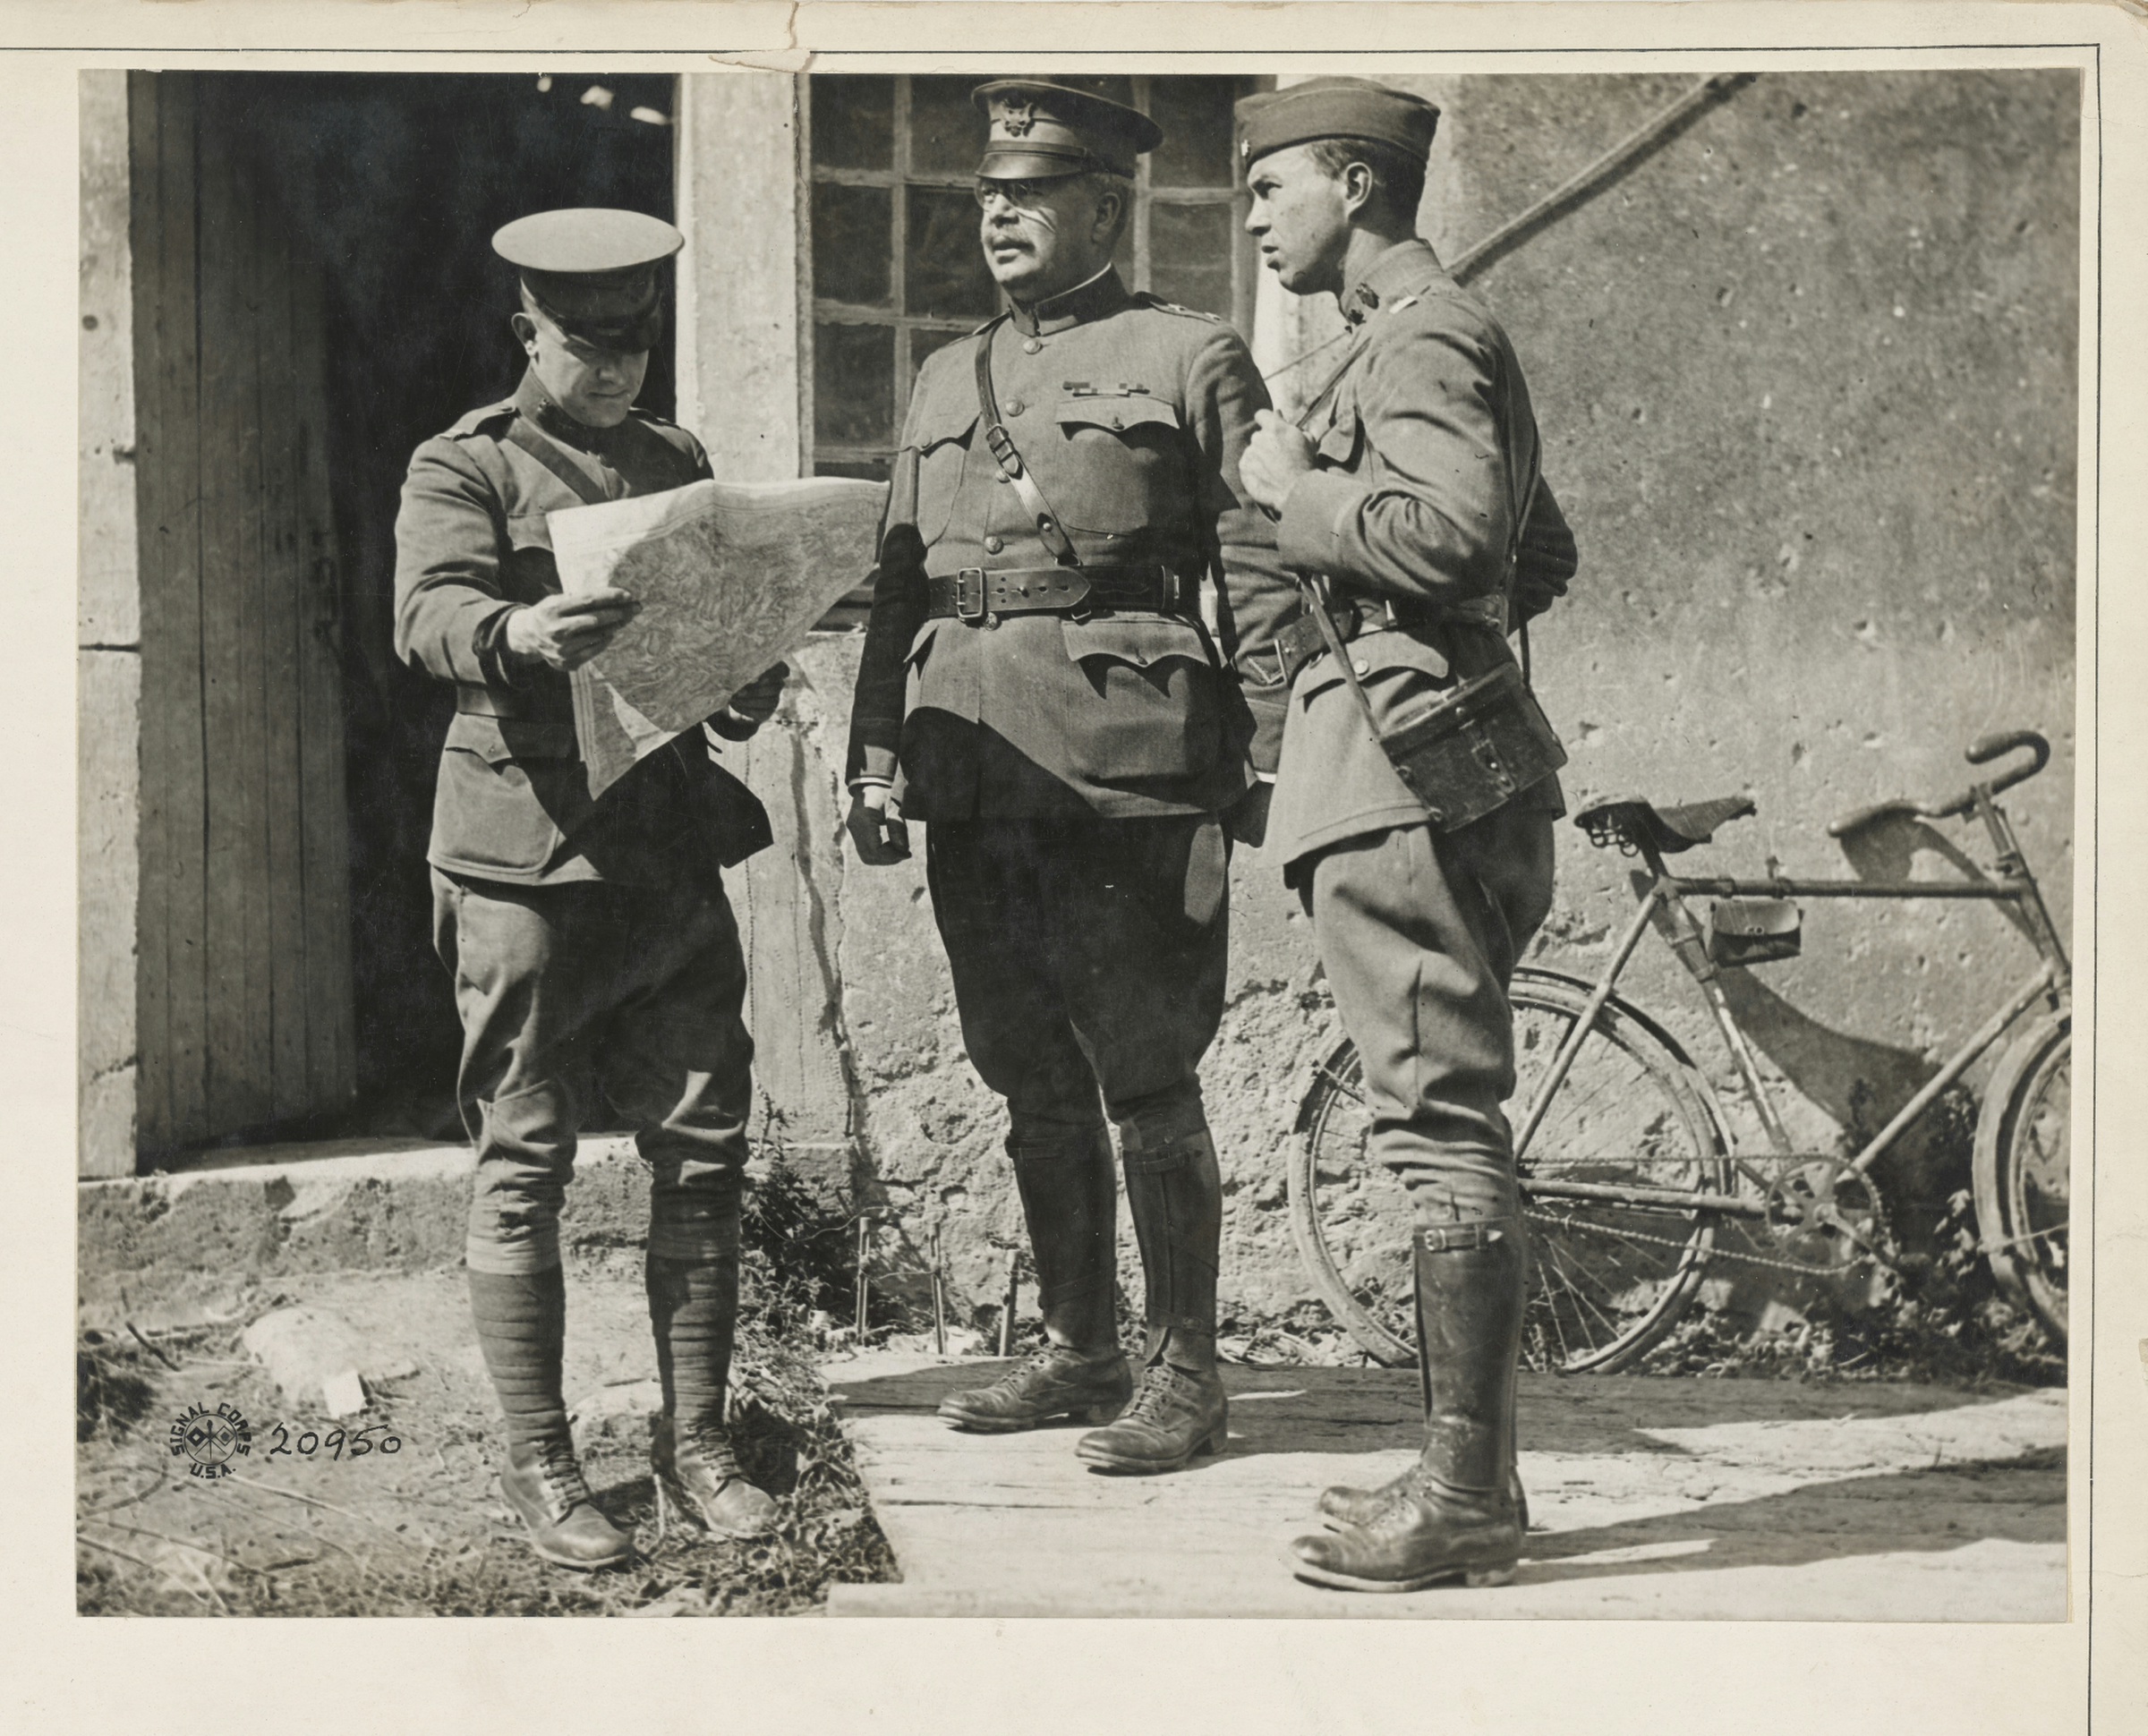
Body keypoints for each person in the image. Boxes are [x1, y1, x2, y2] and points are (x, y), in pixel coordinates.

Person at [843, 79, 1296, 1475]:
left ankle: (1188, 1371)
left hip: (1129, 767)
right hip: (973, 768)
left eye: (1030, 197)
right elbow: (895, 589)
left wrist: (1272, 748)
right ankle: (1081, 1349)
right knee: (1026, 1068)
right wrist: (873, 755)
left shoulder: (1188, 354)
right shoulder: (938, 379)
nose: (999, 216)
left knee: (1146, 1071)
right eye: (989, 196)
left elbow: (1263, 561)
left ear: (1105, 208)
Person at [394, 208, 789, 1569]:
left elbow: (706, 636)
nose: (616, 369)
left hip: (664, 857)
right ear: (529, 334)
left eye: (636, 342)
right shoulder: (469, 463)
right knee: (526, 1159)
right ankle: (543, 1465)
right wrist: (514, 630)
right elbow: (426, 615)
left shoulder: (678, 465)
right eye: (586, 343)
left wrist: (747, 674)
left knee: (704, 1147)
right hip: (525, 855)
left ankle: (697, 1446)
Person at [1234, 80, 1581, 1590]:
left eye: (1270, 188)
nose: (1251, 215)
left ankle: (1466, 1501)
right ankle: (1463, 1468)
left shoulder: (1424, 330)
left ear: (1357, 186)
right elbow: (1535, 549)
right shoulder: (1409, 335)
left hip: (1396, 765)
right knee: (1441, 1112)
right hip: (1442, 748)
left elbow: (1453, 536)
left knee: (1436, 1121)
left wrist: (1296, 491)